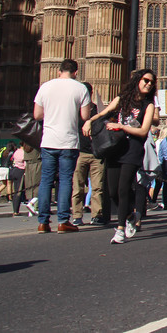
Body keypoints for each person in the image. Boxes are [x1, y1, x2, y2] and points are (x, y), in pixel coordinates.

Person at [83, 69, 157, 244]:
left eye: (151, 82)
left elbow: (143, 131)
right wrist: (89, 121)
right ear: (138, 80)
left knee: (123, 188)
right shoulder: (122, 99)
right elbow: (103, 114)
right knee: (113, 191)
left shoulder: (149, 105)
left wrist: (121, 127)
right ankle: (131, 213)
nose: (148, 84)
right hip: (116, 148)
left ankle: (121, 229)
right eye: (146, 80)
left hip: (133, 148)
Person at [33, 59, 92, 234]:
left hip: (48, 140)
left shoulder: (45, 87)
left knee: (46, 181)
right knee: (66, 181)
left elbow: (37, 115)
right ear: (75, 72)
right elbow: (84, 115)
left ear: (59, 71)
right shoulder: (80, 88)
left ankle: (43, 222)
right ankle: (63, 221)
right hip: (68, 141)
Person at [71, 82, 106, 226]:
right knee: (77, 186)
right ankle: (77, 215)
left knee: (97, 187)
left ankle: (96, 214)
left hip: (96, 154)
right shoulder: (74, 110)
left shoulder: (98, 110)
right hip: (79, 152)